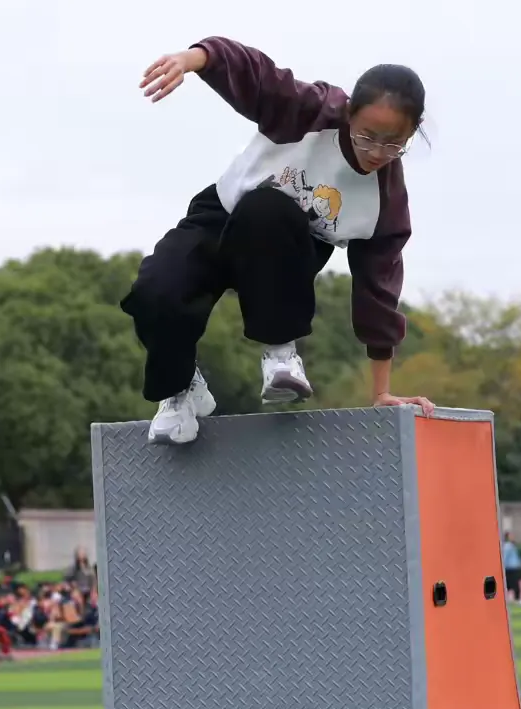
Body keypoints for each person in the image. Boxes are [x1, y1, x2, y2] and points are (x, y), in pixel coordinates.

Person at [125, 36, 436, 444]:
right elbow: (256, 74)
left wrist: (381, 392)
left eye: (394, 143)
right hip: (220, 216)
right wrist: (191, 60)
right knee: (155, 292)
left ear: (413, 133)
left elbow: (378, 293)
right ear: (349, 114)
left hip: (286, 255)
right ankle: (180, 391)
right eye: (366, 136)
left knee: (271, 211)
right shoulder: (309, 111)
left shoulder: (386, 202)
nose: (377, 152)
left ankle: (280, 352)